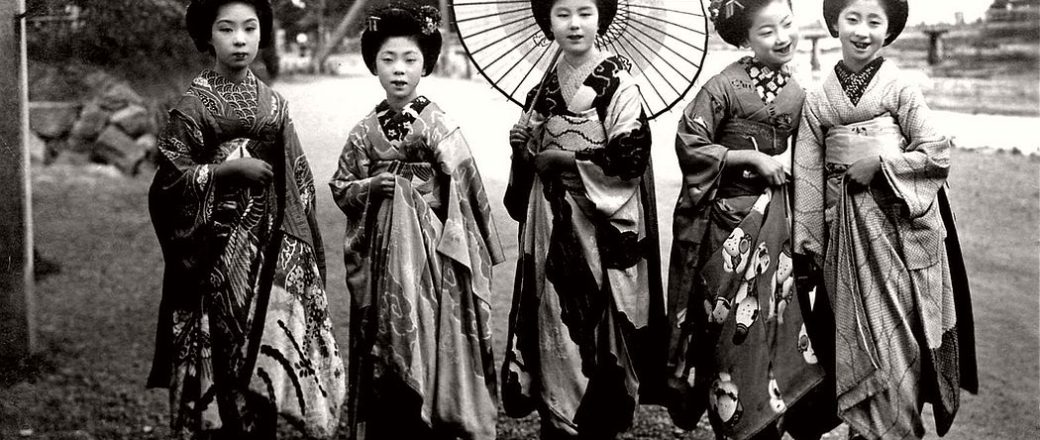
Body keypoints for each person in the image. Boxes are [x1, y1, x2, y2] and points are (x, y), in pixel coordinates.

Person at [147, 1, 345, 438]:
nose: (239, 39)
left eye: (249, 28)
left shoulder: (274, 104)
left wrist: (297, 242)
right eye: (226, 29)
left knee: (260, 345)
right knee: (218, 347)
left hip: (267, 245)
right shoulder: (191, 106)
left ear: (261, 34)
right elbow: (168, 182)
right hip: (209, 251)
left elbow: (298, 180)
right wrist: (223, 172)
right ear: (207, 37)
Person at [792, 0, 978, 439]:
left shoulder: (900, 88)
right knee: (860, 341)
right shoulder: (819, 102)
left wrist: (881, 164)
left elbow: (936, 151)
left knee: (902, 345)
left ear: (889, 29)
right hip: (847, 242)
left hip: (899, 233)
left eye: (875, 21)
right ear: (833, 23)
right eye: (852, 18)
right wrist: (809, 245)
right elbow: (807, 176)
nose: (862, 31)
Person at [328, 5, 504, 439]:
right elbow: (340, 186)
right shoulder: (363, 131)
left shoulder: (439, 125)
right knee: (381, 349)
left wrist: (427, 213)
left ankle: (434, 415)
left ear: (426, 64)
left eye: (410, 59)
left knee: (429, 336)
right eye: (388, 59)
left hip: (432, 259)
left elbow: (468, 191)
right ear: (374, 65)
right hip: (381, 255)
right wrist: (371, 187)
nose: (399, 70)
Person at [500, 0, 666, 438]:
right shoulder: (543, 88)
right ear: (547, 20)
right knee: (552, 319)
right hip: (550, 223)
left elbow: (630, 159)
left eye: (585, 12)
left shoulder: (620, 84)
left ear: (601, 17)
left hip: (600, 228)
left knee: (597, 327)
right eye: (562, 13)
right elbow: (527, 180)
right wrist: (522, 151)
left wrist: (566, 159)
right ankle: (558, 421)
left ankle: (596, 421)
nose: (574, 24)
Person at [663, 1, 827, 439]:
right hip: (724, 225)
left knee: (772, 323)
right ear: (743, 39)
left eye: (787, 25)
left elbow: (812, 159)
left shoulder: (798, 93)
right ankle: (732, 424)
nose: (782, 37)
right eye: (766, 30)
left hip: (775, 225)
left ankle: (766, 421)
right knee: (725, 330)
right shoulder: (722, 87)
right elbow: (689, 144)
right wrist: (748, 157)